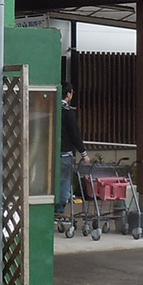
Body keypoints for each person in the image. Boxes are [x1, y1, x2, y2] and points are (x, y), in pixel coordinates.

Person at [57, 81, 89, 217]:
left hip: (50, 153)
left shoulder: (52, 109)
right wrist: (84, 153)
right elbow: (75, 135)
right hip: (65, 153)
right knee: (64, 182)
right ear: (68, 94)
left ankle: (51, 210)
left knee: (52, 182)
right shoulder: (68, 113)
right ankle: (59, 211)